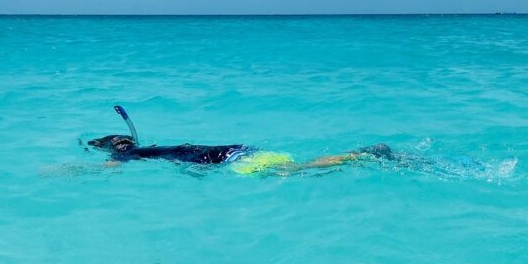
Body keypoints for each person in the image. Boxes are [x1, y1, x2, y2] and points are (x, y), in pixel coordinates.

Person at [84, 105, 395, 175]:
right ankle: (360, 155)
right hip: (235, 149)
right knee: (300, 168)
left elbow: (105, 168)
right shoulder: (147, 149)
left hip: (231, 159)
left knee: (301, 170)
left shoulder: (130, 156)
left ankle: (362, 154)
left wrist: (64, 171)